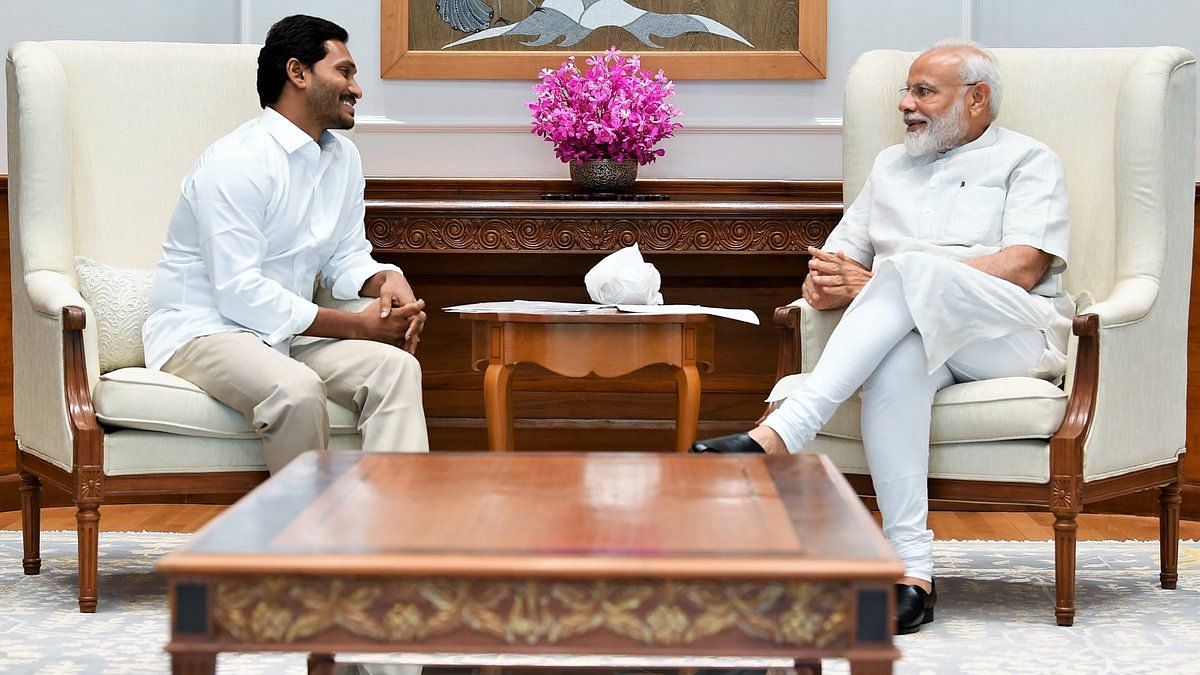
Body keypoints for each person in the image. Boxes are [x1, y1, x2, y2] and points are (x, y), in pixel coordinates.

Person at [691, 39, 1073, 634]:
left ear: (976, 99)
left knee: (906, 271)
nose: (905, 104)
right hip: (914, 334)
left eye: (923, 91)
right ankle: (912, 573)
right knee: (897, 365)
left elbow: (1024, 266)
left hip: (1006, 337)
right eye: (906, 90)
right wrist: (823, 282)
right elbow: (835, 257)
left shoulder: (1028, 160)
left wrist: (885, 279)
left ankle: (785, 429)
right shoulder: (889, 166)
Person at [143, 15, 430, 474]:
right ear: (297, 73)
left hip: (288, 333)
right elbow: (237, 291)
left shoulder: (343, 158)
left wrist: (387, 280)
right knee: (295, 390)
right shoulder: (236, 162)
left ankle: (392, 534)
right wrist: (358, 327)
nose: (357, 89)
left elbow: (345, 254)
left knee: (395, 370)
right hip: (205, 330)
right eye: (345, 72)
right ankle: (306, 543)